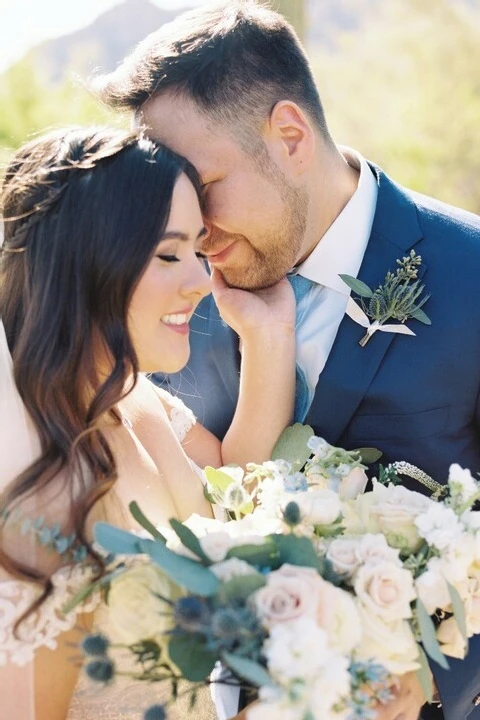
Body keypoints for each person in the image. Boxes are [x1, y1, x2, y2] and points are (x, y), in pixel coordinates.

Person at [91, 1, 480, 718]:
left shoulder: (473, 272)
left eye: (202, 187)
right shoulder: (170, 294)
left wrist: (431, 683)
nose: (192, 229)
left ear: (290, 136)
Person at [0, 125, 296, 720]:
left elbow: (233, 482)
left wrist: (269, 335)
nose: (199, 282)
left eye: (196, 250)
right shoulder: (46, 497)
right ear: (86, 264)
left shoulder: (137, 401)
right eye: (168, 254)